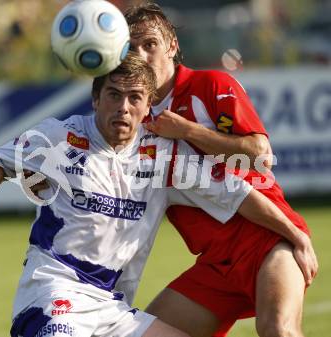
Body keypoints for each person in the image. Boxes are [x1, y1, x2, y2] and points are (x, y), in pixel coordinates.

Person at [0, 53, 316, 337]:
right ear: (96, 99)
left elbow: (237, 194)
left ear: (147, 106)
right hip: (53, 295)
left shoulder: (165, 155)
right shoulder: (60, 136)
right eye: (113, 95)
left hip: (113, 308)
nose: (123, 107)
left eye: (135, 98)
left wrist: (296, 235)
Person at [124, 3, 318, 337]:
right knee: (141, 333)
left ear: (171, 46)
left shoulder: (209, 85)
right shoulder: (132, 117)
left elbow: (261, 154)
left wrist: (187, 130)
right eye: (132, 48)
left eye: (150, 44)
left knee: (278, 330)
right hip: (216, 263)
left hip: (269, 238)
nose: (141, 55)